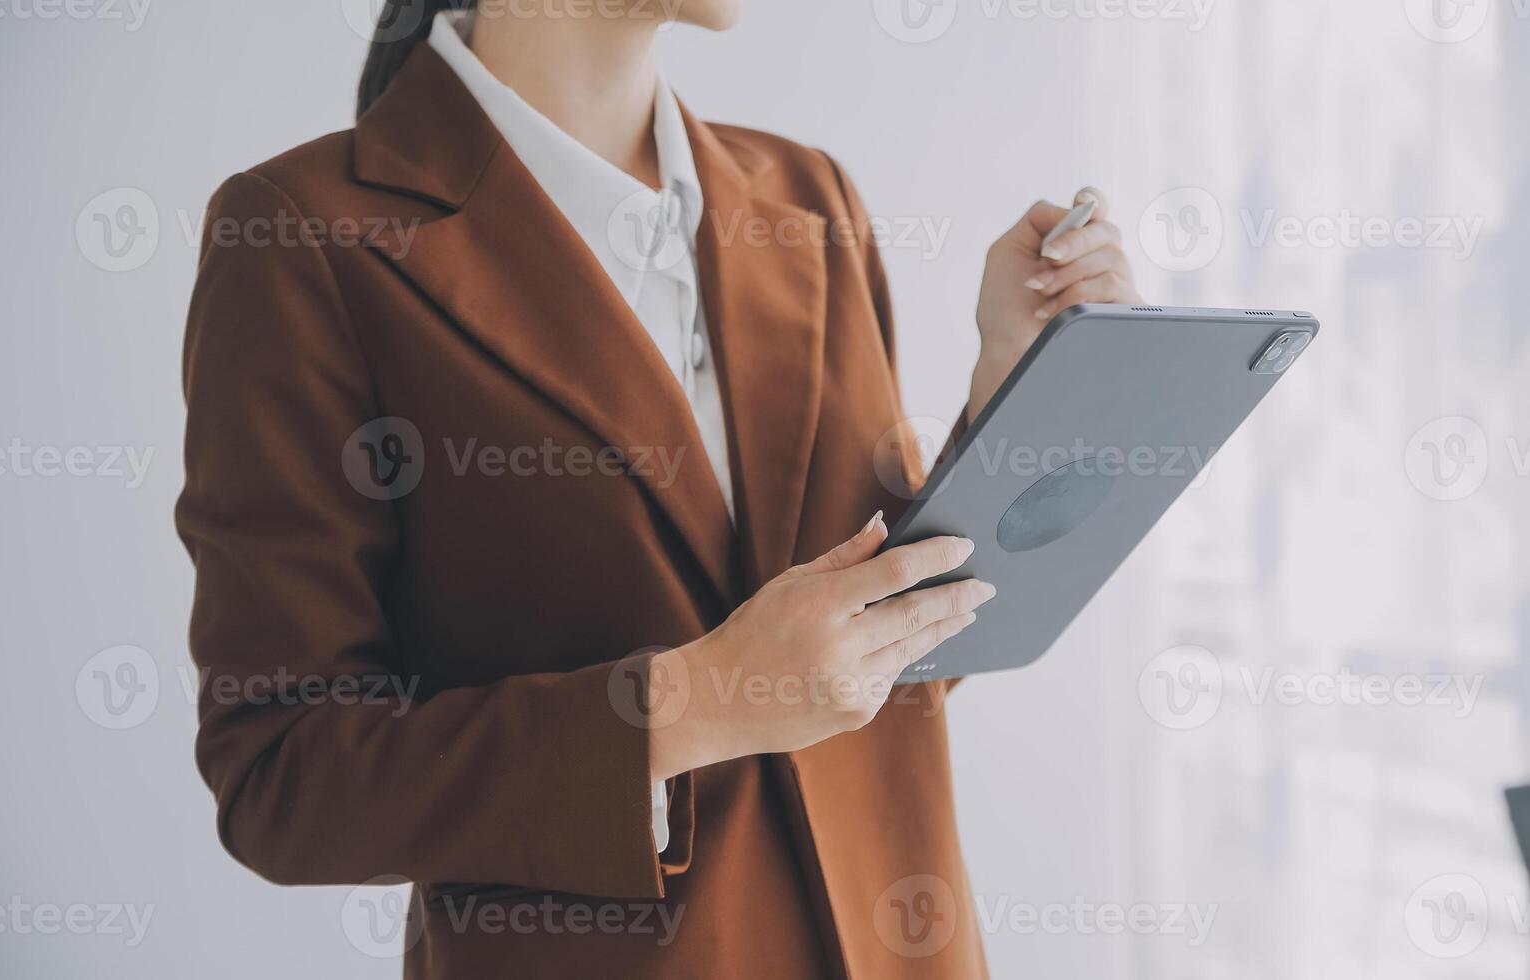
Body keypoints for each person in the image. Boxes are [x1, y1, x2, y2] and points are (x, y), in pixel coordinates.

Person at [175, 0, 1143, 976]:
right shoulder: (301, 236)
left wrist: (1012, 401)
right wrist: (696, 698)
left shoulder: (809, 195)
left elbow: (881, 652)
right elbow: (283, 777)